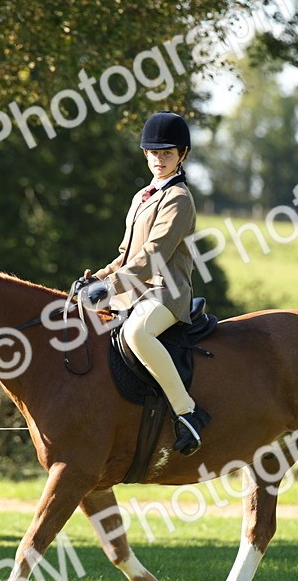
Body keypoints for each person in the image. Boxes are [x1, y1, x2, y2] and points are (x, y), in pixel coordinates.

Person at [84, 111, 211, 456]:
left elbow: (154, 254)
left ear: (182, 155)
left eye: (167, 153)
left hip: (166, 294)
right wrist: (99, 277)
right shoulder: (143, 195)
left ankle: (188, 413)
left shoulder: (179, 199)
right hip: (134, 290)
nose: (159, 160)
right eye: (154, 153)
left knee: (136, 334)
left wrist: (110, 287)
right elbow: (127, 255)